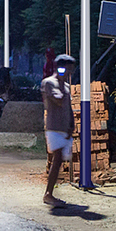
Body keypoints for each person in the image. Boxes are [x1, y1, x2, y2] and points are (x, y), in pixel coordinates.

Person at [40, 53, 76, 207]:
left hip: (64, 127)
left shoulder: (67, 86)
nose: (69, 73)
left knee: (60, 159)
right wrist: (61, 81)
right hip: (54, 127)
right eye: (67, 70)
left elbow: (68, 107)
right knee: (58, 158)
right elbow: (58, 100)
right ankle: (48, 194)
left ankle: (49, 193)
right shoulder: (48, 83)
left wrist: (72, 125)